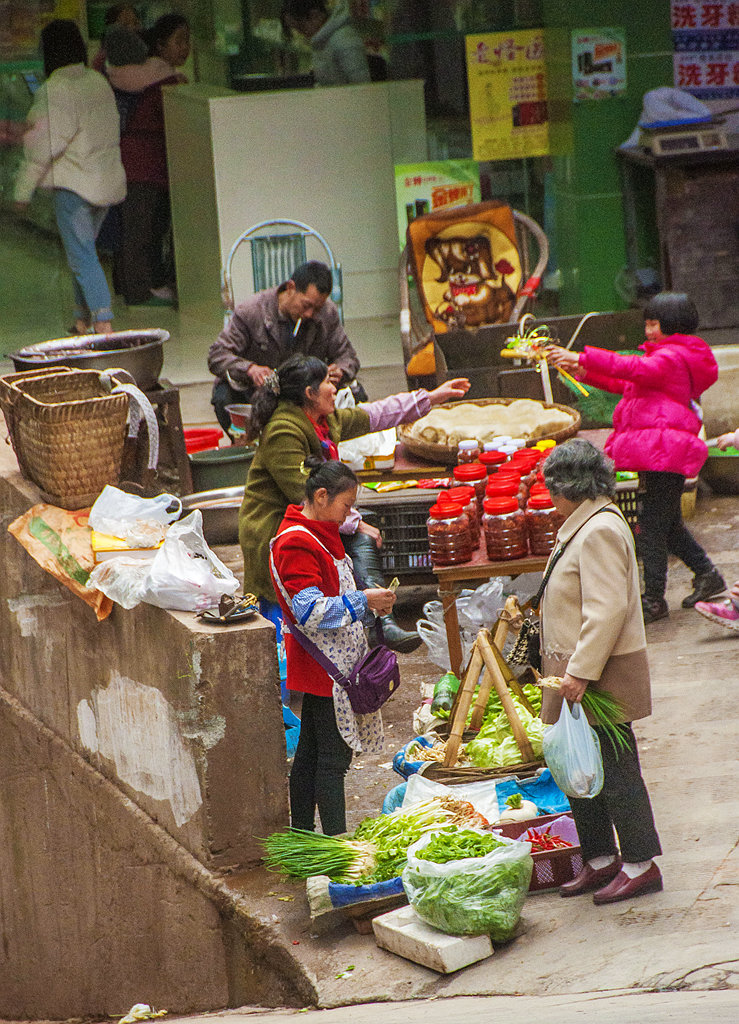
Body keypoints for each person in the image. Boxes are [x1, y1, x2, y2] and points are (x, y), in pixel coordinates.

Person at [239, 352, 470, 652]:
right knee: (360, 533)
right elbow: (304, 493)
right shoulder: (284, 430)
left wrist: (433, 397)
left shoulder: (321, 420)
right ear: (309, 393)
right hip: (274, 527)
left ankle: (379, 622)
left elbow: (377, 414)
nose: (334, 388)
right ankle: (379, 621)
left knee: (362, 531)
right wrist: (355, 521)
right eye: (325, 382)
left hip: (308, 516)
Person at [546, 292, 723, 624]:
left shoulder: (671, 358)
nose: (648, 331)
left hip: (665, 452)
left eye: (654, 324)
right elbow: (624, 380)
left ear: (673, 325)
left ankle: (654, 599)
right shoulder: (666, 357)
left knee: (652, 527)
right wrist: (580, 369)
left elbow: (631, 366)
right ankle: (706, 574)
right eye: (647, 324)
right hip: (659, 451)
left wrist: (583, 356)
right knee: (666, 523)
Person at [539, 439, 663, 904]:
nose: (550, 497)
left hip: (597, 675)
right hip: (576, 673)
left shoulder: (599, 530)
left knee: (616, 768)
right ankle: (599, 859)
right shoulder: (582, 525)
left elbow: (607, 610)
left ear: (569, 487)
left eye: (553, 488)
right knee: (578, 768)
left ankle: (639, 863)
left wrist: (581, 673)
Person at [270, 458, 394, 833]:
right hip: (325, 668)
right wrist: (365, 601)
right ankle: (336, 845)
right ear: (321, 496)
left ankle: (304, 838)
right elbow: (310, 611)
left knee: (308, 757)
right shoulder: (296, 542)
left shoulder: (318, 531)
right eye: (346, 505)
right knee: (332, 761)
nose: (349, 514)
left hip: (327, 665)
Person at [13, 19, 127, 335]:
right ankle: (81, 320)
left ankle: (103, 324)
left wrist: (22, 191)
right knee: (83, 252)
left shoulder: (55, 89)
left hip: (73, 186)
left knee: (82, 257)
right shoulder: (97, 81)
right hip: (106, 183)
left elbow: (42, 145)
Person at [208, 260, 361, 432]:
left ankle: (327, 442)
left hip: (305, 394)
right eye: (306, 305)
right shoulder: (251, 312)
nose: (309, 314)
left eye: (316, 309)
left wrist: (340, 369)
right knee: (224, 395)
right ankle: (247, 445)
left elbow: (348, 356)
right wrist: (250, 369)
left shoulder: (327, 314)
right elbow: (217, 355)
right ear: (290, 288)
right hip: (259, 393)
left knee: (356, 392)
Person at [113, 12, 190, 306]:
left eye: (187, 41)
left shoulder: (142, 76)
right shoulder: (164, 81)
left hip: (137, 164)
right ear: (160, 45)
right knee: (141, 231)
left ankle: (134, 287)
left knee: (138, 228)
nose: (185, 48)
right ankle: (138, 292)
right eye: (178, 41)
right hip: (146, 166)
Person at [281, 0, 370, 86]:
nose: (301, 34)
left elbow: (361, 87)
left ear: (314, 15)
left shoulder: (345, 41)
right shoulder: (321, 41)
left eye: (301, 28)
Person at [92, 4, 142, 73]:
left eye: (135, 23)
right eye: (125, 25)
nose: (132, 28)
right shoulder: (102, 60)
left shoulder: (148, 55)